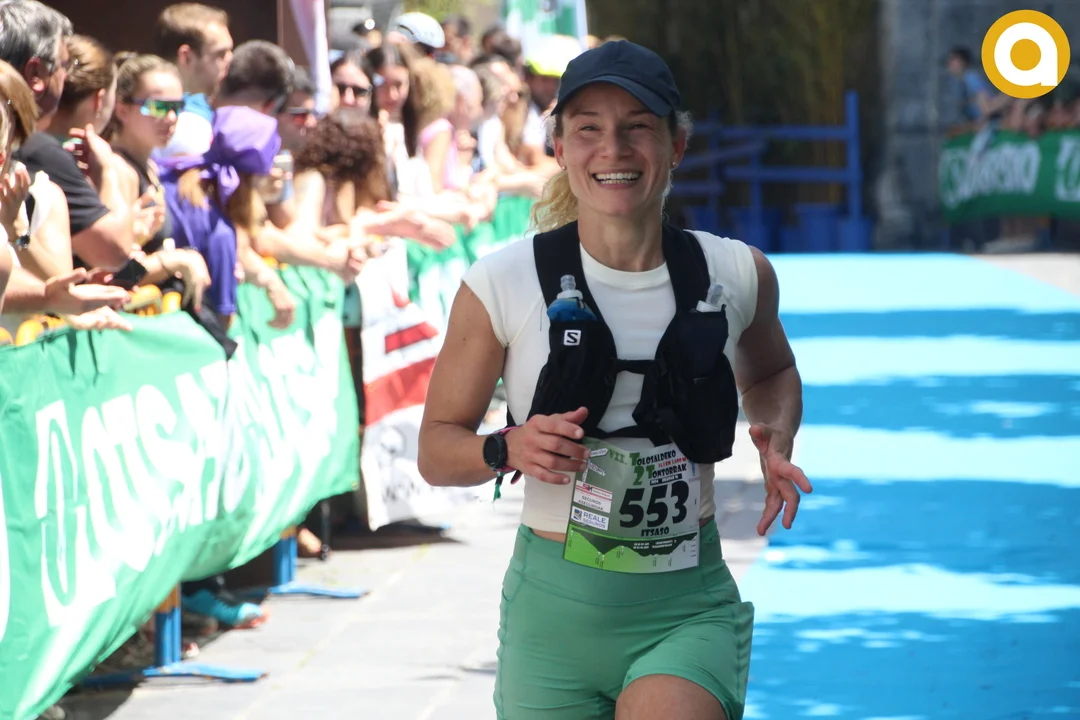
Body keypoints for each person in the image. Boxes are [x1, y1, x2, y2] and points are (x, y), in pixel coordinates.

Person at [417, 41, 813, 720]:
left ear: (676, 144)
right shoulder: (500, 283)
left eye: (637, 127)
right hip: (552, 619)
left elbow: (773, 370)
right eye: (588, 129)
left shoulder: (737, 273)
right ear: (560, 147)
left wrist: (775, 435)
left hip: (686, 609)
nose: (613, 150)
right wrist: (506, 447)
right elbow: (435, 449)